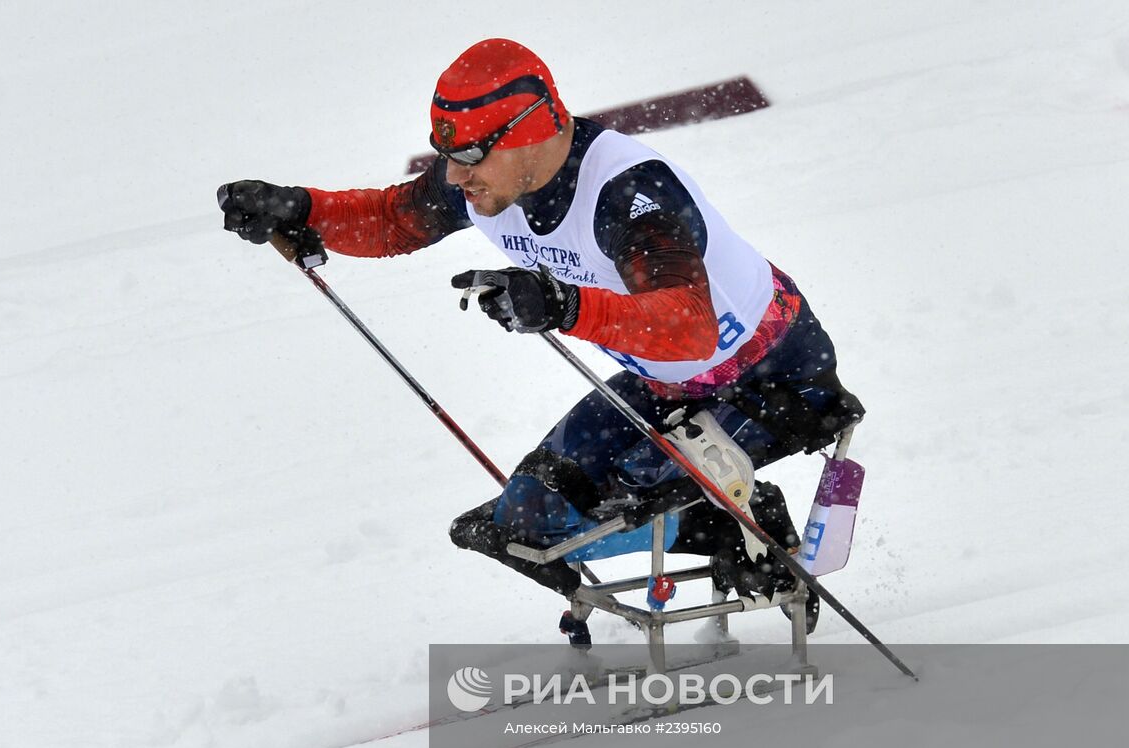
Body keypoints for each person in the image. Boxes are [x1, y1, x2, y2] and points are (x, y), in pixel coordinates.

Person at [217, 39, 863, 627]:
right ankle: (739, 530)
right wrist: (301, 209)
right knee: (524, 524)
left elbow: (687, 328)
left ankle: (740, 525)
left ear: (530, 132)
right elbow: (394, 221)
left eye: (468, 155)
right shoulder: (480, 183)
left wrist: (561, 304)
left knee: (587, 514)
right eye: (445, 155)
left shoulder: (631, 194)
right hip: (665, 383)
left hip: (771, 379)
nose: (454, 175)